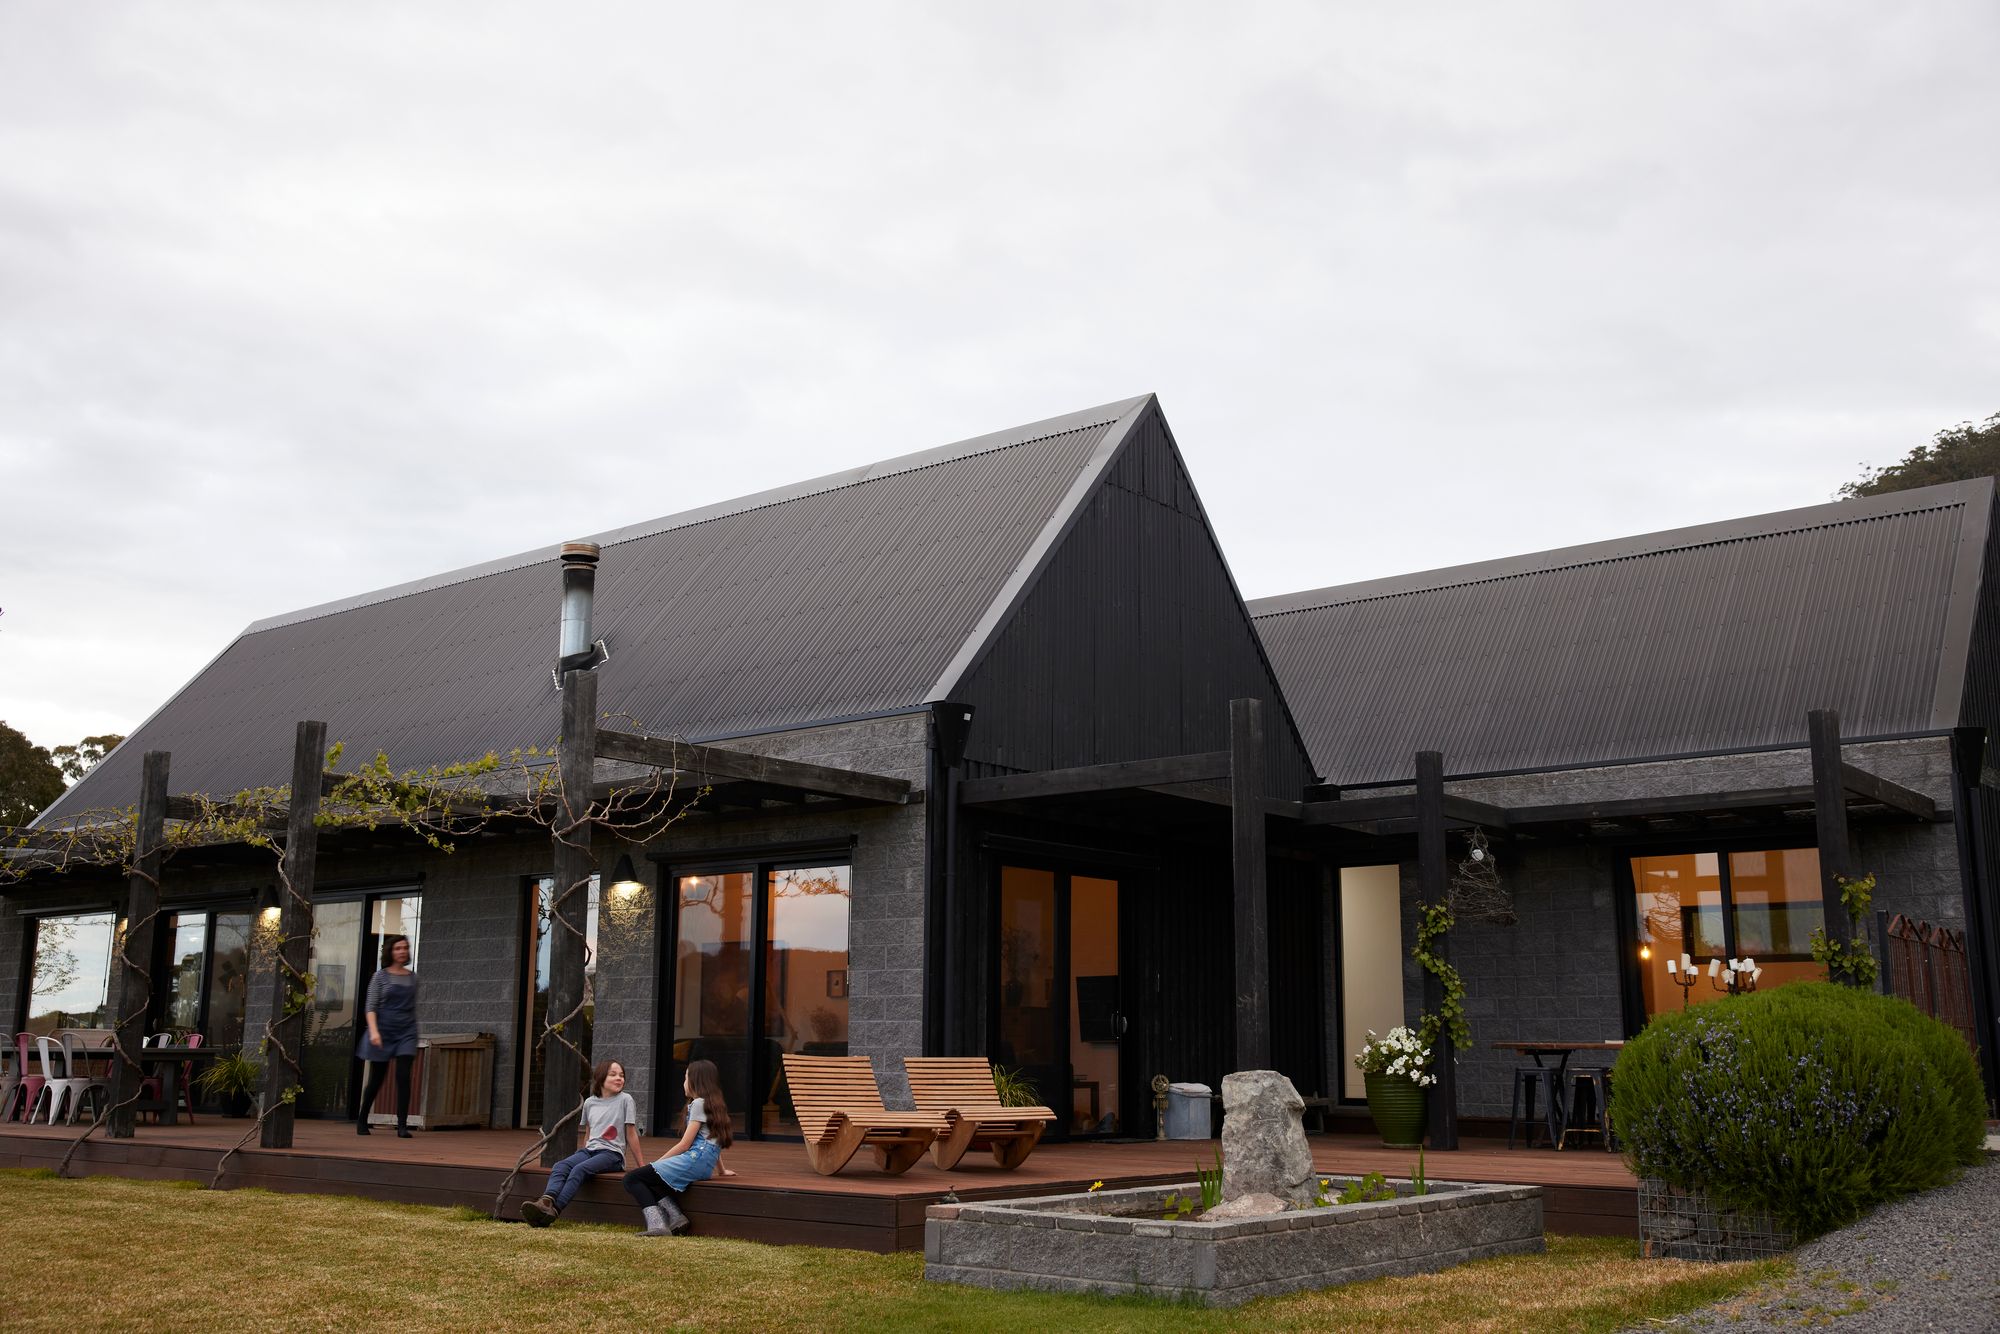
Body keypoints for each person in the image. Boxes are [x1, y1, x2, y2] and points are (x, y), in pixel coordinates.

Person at [622, 1058, 736, 1236]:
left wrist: (656, 1163)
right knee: (649, 1179)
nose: (683, 1083)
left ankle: (657, 1225)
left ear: (695, 1081)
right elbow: (713, 1140)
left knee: (632, 1179)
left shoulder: (698, 1104)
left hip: (693, 1160)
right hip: (703, 1166)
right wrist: (721, 1170)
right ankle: (676, 1217)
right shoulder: (715, 1104)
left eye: (685, 1078)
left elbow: (685, 1144)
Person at [520, 1059, 641, 1227]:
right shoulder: (590, 1103)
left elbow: (631, 1134)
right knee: (560, 1166)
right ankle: (545, 1202)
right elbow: (590, 1134)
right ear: (600, 1078)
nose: (619, 1078)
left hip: (612, 1154)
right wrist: (584, 1154)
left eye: (621, 1075)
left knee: (579, 1169)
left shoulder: (625, 1100)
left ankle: (555, 1210)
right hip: (590, 1150)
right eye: (613, 1074)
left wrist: (641, 1165)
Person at [356, 934, 419, 1138]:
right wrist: (374, 1032)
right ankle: (362, 1119)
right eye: (397, 948)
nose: (402, 951)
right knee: (377, 1078)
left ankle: (402, 1125)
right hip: (382, 1029)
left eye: (405, 948)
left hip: (406, 1030)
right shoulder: (380, 977)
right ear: (390, 952)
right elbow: (371, 1006)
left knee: (403, 1076)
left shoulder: (413, 978)